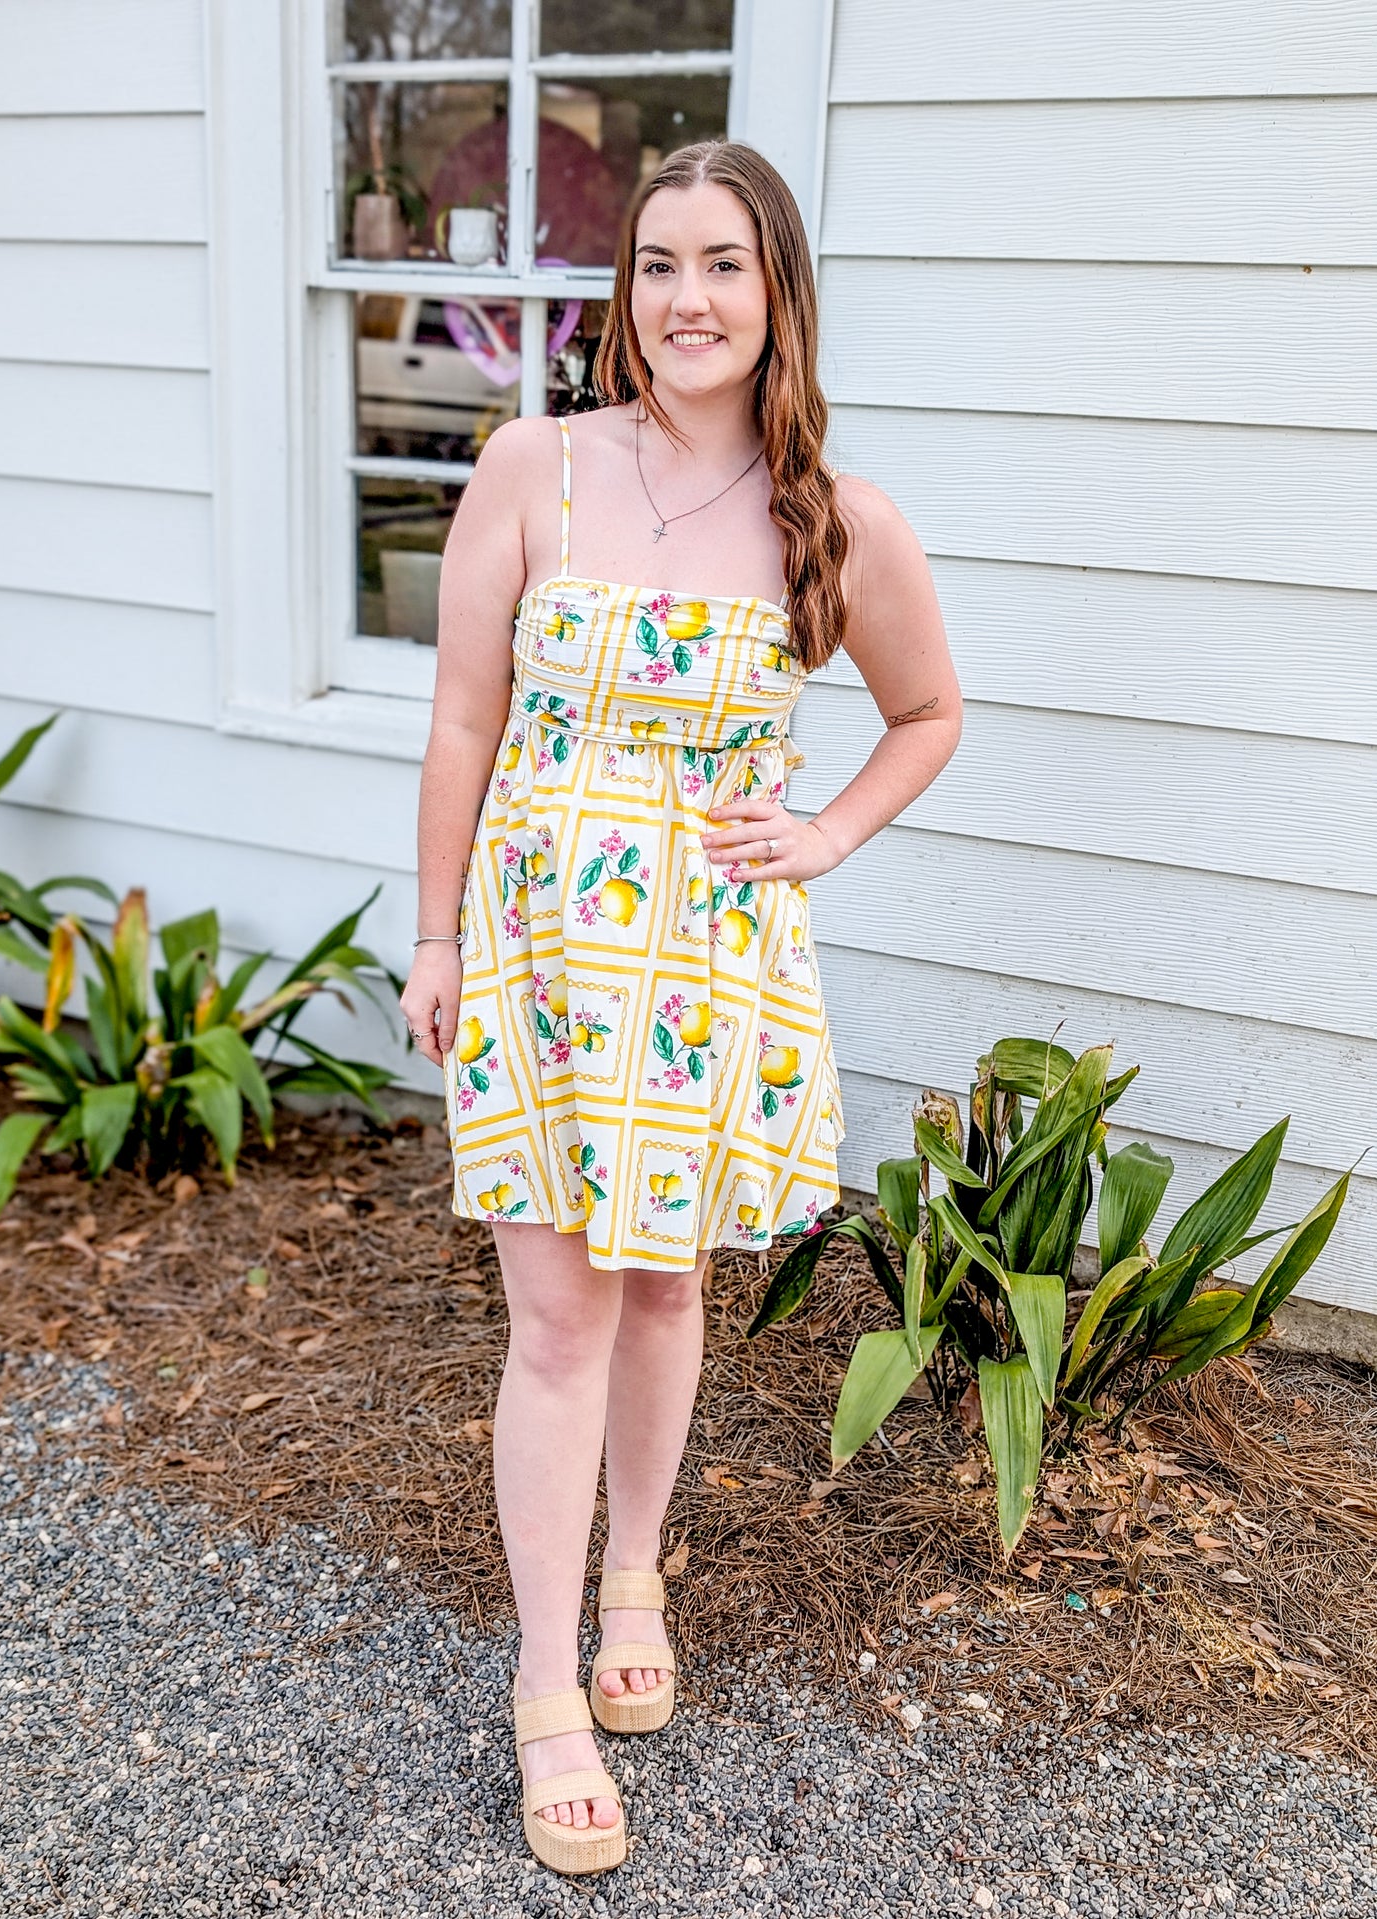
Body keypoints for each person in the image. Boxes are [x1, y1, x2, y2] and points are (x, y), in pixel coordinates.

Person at [399, 139, 961, 1875]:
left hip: (709, 960)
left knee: (657, 1298)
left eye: (722, 264)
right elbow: (463, 727)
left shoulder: (840, 521)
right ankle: (544, 1679)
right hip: (541, 957)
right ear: (621, 292)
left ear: (777, 289)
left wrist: (826, 832)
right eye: (655, 266)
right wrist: (433, 939)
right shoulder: (532, 469)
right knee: (555, 1318)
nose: (685, 301)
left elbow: (927, 711)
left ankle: (637, 1557)